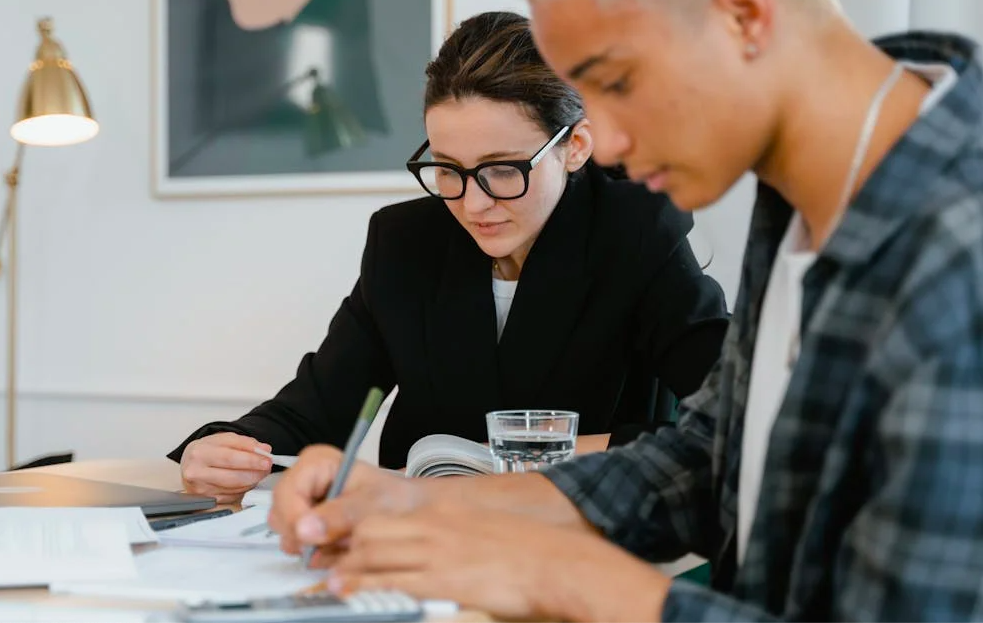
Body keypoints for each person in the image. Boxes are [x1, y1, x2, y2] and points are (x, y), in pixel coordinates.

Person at [266, 0, 983, 620]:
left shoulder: (957, 259)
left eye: (616, 82)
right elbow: (706, 458)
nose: (601, 144)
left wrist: (559, 573)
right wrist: (427, 507)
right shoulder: (805, 196)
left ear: (743, 14)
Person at [169, 11, 729, 504]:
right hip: (426, 536)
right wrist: (218, 448)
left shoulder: (636, 231)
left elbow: (729, 420)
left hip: (581, 539)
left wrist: (531, 457)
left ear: (575, 147)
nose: (473, 202)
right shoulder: (405, 241)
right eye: (447, 168)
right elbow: (313, 411)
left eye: (503, 168)